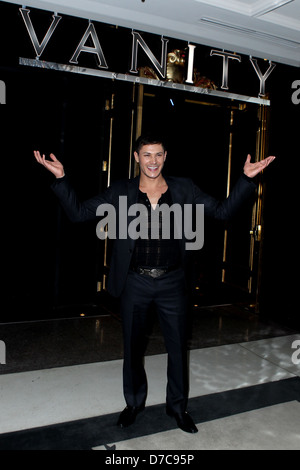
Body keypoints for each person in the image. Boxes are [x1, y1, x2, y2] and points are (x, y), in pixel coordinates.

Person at [34, 134, 275, 433]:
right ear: (137, 157)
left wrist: (246, 180)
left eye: (158, 155)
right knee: (133, 349)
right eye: (146, 155)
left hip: (173, 282)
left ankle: (178, 408)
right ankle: (134, 403)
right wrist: (61, 179)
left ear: (165, 156)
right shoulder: (120, 191)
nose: (153, 161)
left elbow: (223, 212)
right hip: (135, 281)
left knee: (177, 350)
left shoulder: (184, 188)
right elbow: (79, 213)